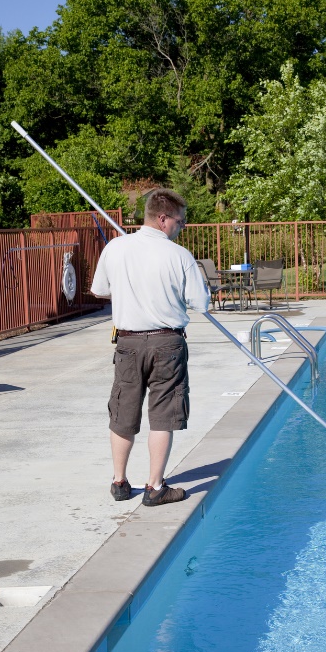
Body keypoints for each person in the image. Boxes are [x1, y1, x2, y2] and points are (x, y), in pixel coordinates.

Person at [91, 188, 210, 506]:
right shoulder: (179, 256)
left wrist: (131, 288)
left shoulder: (116, 248)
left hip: (128, 343)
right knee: (163, 415)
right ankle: (155, 487)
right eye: (181, 222)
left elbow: (100, 289)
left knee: (123, 412)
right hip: (166, 344)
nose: (182, 227)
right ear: (163, 219)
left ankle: (119, 482)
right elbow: (201, 302)